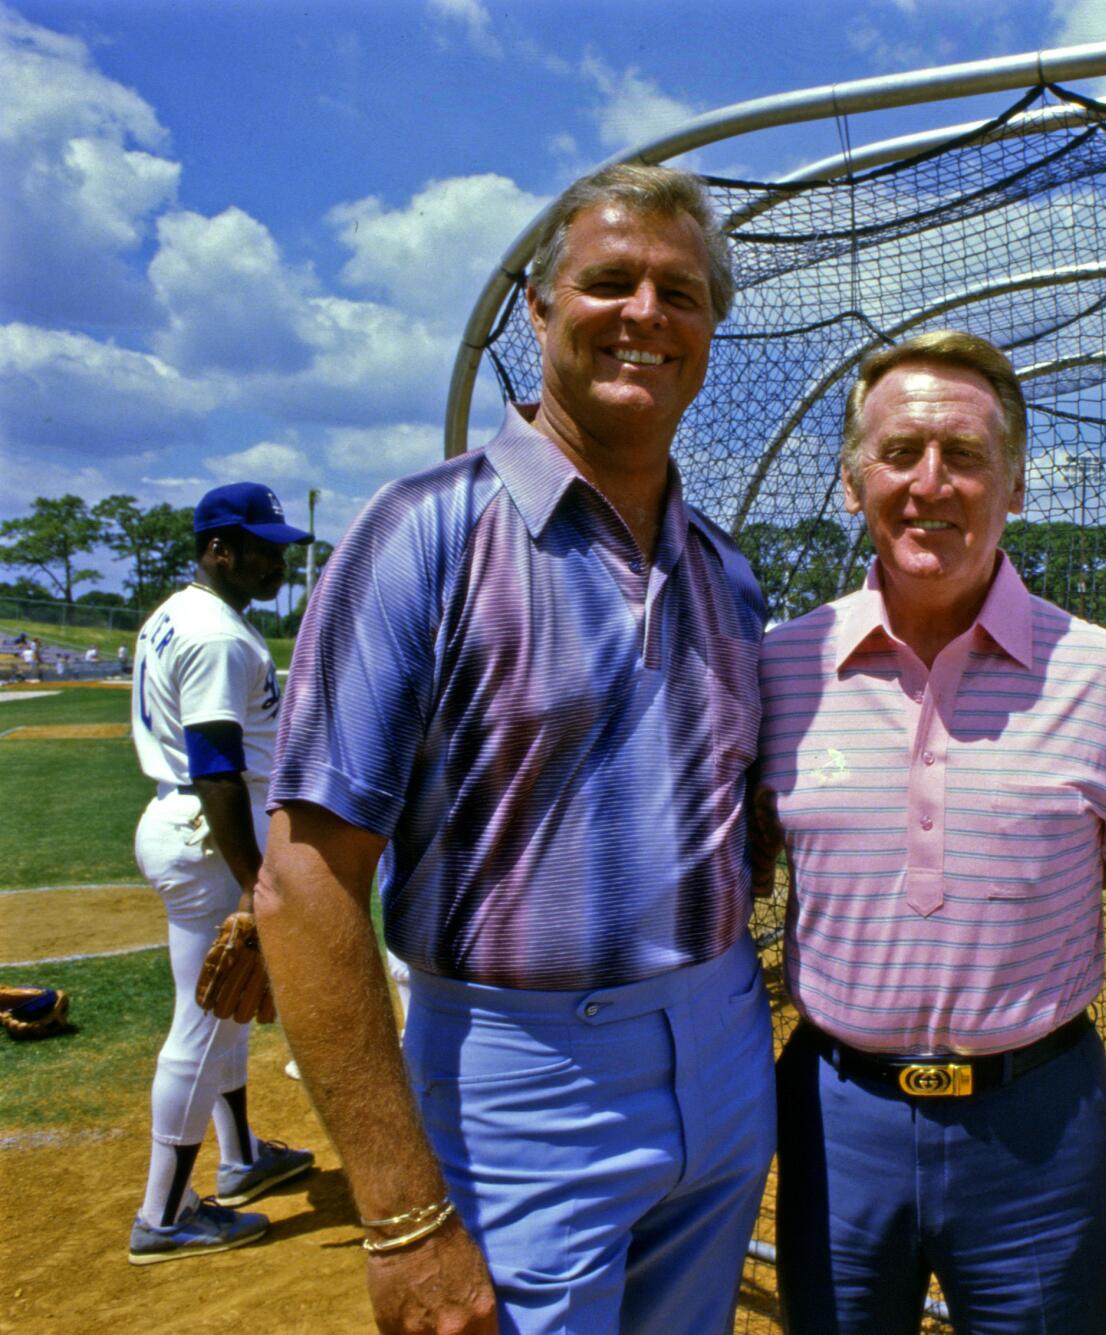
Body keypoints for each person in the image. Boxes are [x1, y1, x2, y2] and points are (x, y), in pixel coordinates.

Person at [259, 163, 772, 1335]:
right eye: (609, 283)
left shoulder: (725, 572)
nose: (646, 315)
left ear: (709, 332)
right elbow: (303, 880)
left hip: (724, 1054)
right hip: (521, 1079)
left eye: (681, 294)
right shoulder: (423, 531)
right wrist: (397, 1217)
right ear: (538, 314)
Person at [755, 331, 1106, 1333]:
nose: (929, 483)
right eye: (898, 453)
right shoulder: (777, 670)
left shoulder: (1105, 676)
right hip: (835, 1114)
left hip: (1037, 1120)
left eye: (966, 456)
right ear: (852, 481)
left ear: (1015, 483)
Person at [126, 483, 316, 1264]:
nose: (277, 558)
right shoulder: (219, 637)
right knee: (205, 1020)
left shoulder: (178, 613)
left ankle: (240, 1157)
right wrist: (256, 879)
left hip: (184, 827)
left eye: (279, 544)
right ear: (216, 549)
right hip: (211, 834)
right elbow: (217, 770)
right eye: (258, 545)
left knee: (224, 1004)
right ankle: (163, 1217)